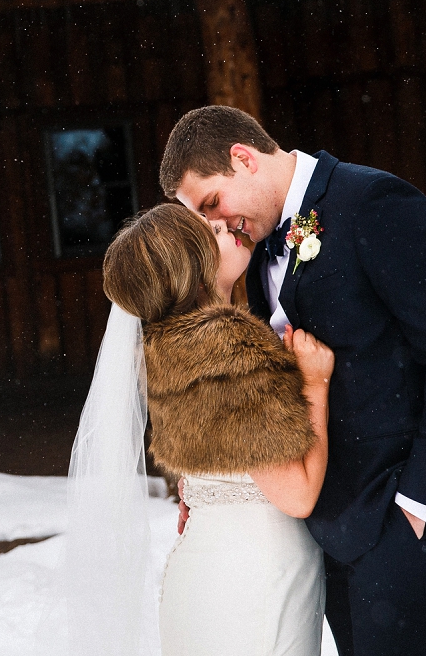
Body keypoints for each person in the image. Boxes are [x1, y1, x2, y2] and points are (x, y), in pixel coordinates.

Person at [163, 106, 426, 656]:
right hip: (325, 525)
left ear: (242, 159)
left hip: (402, 518)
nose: (217, 225)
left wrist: (418, 503)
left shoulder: (374, 203)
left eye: (212, 203)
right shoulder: (253, 247)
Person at [101, 202, 335, 656]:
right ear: (196, 270)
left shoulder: (164, 348)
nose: (223, 224)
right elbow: (299, 495)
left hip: (206, 570)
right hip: (255, 576)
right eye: (207, 231)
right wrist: (317, 386)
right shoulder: (229, 350)